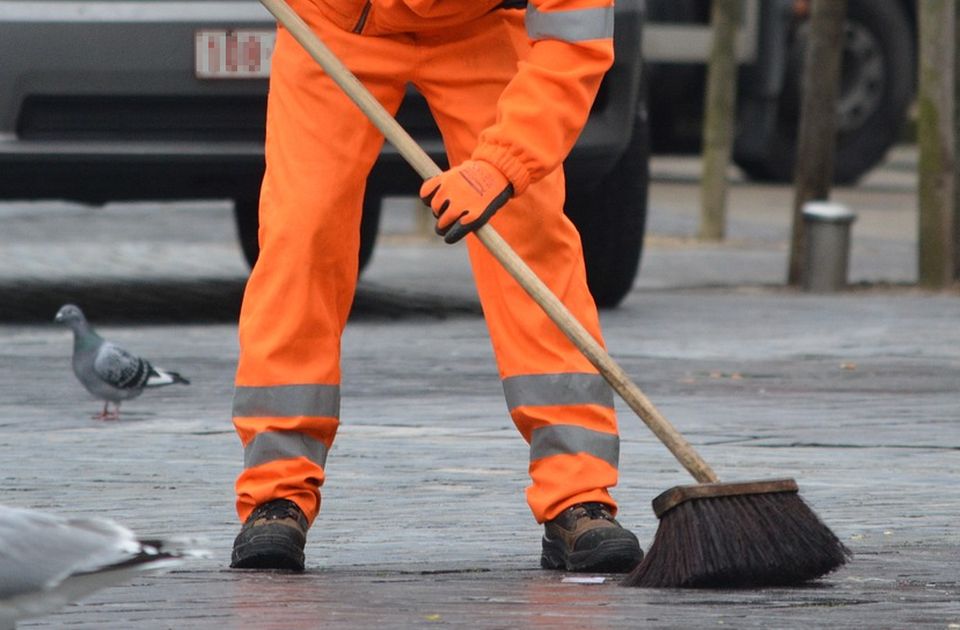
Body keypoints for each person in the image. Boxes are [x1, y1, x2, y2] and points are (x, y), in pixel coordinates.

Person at [229, 0, 643, 574]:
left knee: (529, 232)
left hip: (479, 27)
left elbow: (574, 41)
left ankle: (579, 496)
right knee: (302, 231)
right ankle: (276, 495)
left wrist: (501, 165)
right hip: (333, 20)